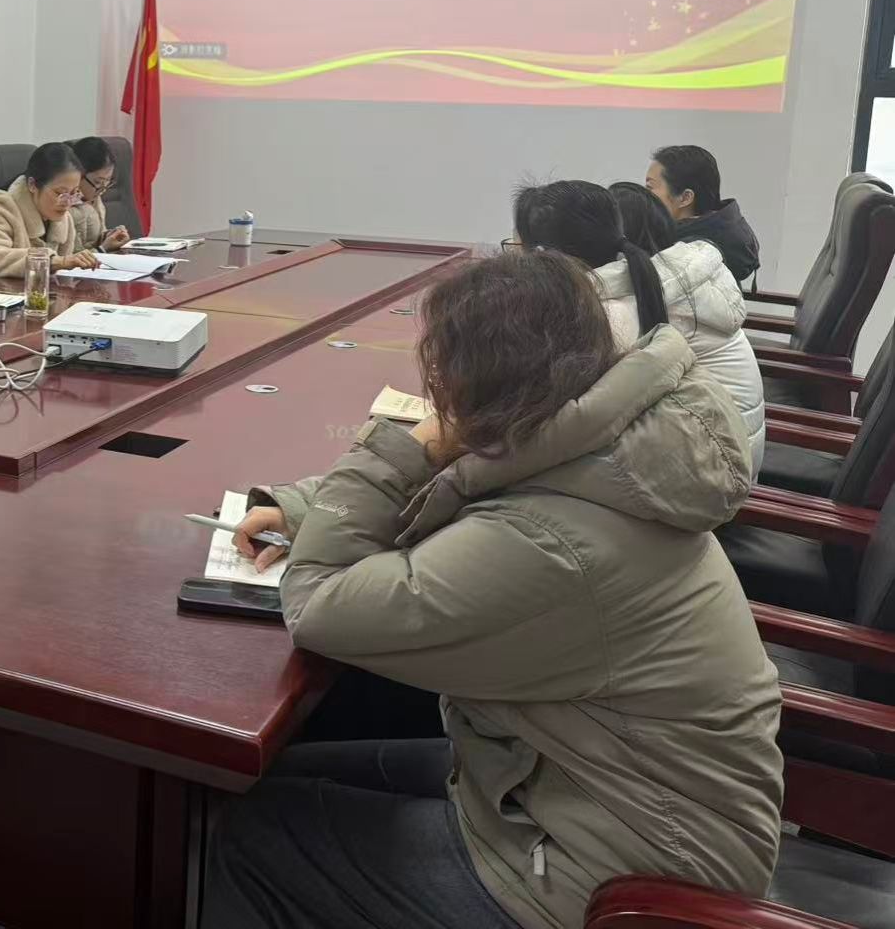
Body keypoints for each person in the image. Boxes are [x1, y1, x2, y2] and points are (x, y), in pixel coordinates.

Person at [206, 251, 780, 929]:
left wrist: (404, 447)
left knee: (253, 832)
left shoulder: (552, 541)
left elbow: (320, 604)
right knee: (290, 772)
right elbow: (467, 489)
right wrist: (306, 507)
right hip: (586, 790)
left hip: (618, 878)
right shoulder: (606, 447)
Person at [517, 179, 765, 471]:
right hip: (727, 448)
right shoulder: (678, 276)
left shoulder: (615, 314)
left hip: (712, 468)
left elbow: (565, 427)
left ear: (545, 256)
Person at [0, 142, 101, 276]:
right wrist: (54, 261)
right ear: (32, 185)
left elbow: (62, 274)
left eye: (74, 193)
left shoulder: (64, 218)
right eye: (60, 193)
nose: (67, 202)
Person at [647, 144, 761, 283]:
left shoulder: (690, 256)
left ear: (685, 198)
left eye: (650, 187)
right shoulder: (723, 239)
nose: (642, 195)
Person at [67, 136, 132, 253]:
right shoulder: (63, 205)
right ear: (78, 174)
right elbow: (68, 257)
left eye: (107, 182)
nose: (102, 190)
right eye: (98, 182)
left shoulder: (95, 197)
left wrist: (109, 236)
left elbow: (94, 238)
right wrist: (103, 248)